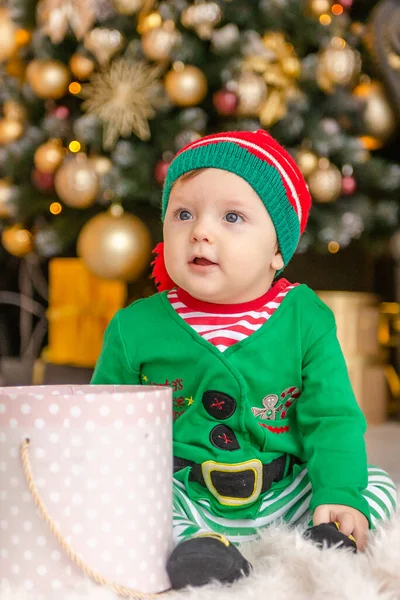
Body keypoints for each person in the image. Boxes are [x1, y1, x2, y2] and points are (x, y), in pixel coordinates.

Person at [91, 130, 397, 589]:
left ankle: (325, 532)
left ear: (278, 250)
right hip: (185, 492)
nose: (200, 231)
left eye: (232, 216)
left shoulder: (304, 318)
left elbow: (330, 417)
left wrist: (338, 494)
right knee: (135, 504)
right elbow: (104, 422)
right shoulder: (135, 327)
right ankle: (204, 550)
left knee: (376, 484)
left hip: (285, 491)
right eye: (183, 214)